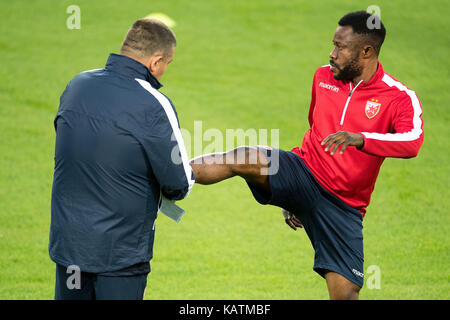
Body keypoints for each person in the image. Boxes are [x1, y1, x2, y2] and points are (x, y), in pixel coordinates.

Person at [189, 11, 424, 300]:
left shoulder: (398, 97)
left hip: (343, 206)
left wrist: (361, 138)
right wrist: (292, 195)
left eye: (340, 47)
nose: (332, 53)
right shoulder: (323, 76)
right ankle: (170, 176)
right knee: (243, 156)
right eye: (333, 44)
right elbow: (314, 128)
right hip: (303, 170)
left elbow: (412, 142)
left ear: (366, 51)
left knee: (345, 294)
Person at [49, 18, 194, 300]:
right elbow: (179, 184)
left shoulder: (77, 85)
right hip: (120, 256)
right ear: (155, 62)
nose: (165, 72)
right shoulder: (154, 103)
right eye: (168, 64)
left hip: (69, 248)